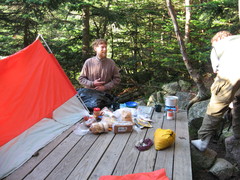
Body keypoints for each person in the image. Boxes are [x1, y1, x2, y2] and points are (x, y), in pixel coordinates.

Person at [191, 31, 240, 151]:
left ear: (218, 40)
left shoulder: (219, 45)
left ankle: (202, 141)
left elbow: (216, 69)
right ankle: (238, 135)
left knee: (216, 105)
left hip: (231, 73)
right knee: (238, 102)